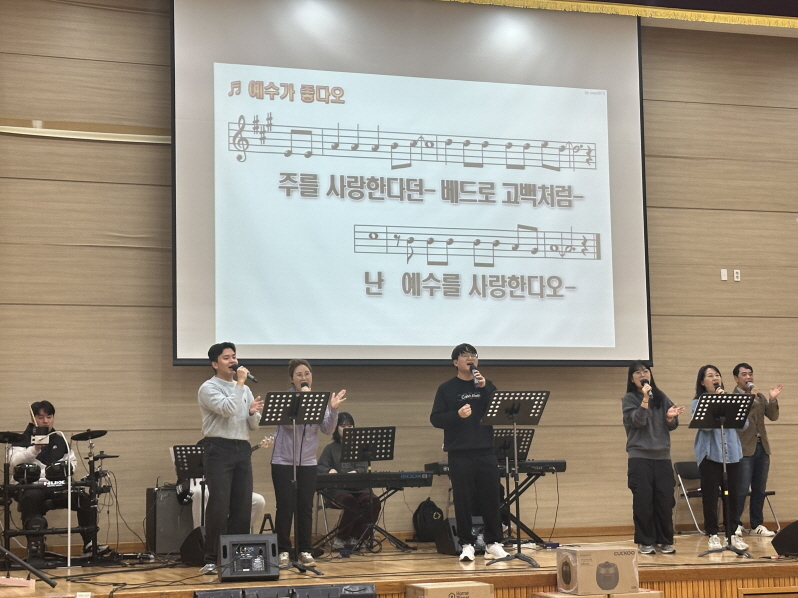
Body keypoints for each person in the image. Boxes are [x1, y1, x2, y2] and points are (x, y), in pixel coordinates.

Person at [430, 343, 509, 562]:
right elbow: (436, 419)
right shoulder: (446, 389)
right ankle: (467, 544)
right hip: (460, 453)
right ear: (455, 362)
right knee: (463, 499)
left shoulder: (486, 385)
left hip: (486, 450)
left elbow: (498, 410)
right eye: (465, 355)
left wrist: (484, 388)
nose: (470, 358)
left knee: (491, 497)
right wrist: (457, 415)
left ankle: (493, 543)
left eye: (473, 355)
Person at [270, 359, 346, 567]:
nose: (304, 378)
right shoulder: (285, 399)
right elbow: (288, 425)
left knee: (305, 507)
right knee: (285, 507)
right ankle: (283, 551)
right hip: (283, 461)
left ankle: (305, 549)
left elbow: (328, 430)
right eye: (299, 375)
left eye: (307, 374)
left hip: (308, 462)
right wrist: (303, 401)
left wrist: (333, 410)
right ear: (292, 379)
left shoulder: (319, 400)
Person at [197, 342, 264, 575]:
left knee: (242, 504)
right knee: (219, 503)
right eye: (226, 358)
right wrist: (240, 384)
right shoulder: (208, 388)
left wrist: (253, 413)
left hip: (242, 447)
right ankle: (211, 558)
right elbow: (228, 409)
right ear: (215, 364)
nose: (233, 361)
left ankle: (238, 556)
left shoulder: (243, 389)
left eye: (234, 356)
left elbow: (253, 426)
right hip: (219, 448)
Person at [10, 401, 103, 563]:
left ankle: (89, 543)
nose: (45, 421)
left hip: (57, 485)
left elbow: (72, 462)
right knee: (30, 498)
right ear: (33, 418)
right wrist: (34, 449)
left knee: (84, 498)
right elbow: (14, 461)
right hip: (33, 486)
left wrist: (61, 470)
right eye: (41, 417)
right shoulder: (22, 439)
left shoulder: (60, 440)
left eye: (49, 417)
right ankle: (35, 546)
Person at [622, 361, 683, 555]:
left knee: (665, 500)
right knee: (643, 501)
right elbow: (637, 421)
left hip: (662, 456)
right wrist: (645, 399)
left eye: (645, 371)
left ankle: (664, 540)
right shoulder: (629, 399)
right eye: (637, 372)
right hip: (639, 457)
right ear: (632, 378)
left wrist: (670, 417)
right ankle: (645, 541)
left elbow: (672, 424)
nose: (642, 374)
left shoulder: (661, 396)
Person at [691, 365, 749, 552]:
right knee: (710, 496)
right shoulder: (698, 402)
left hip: (732, 454)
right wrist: (716, 404)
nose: (715, 378)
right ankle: (713, 534)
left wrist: (728, 404)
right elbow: (705, 426)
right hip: (710, 454)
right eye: (710, 376)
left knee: (733, 496)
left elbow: (743, 425)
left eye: (717, 375)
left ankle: (732, 534)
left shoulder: (732, 399)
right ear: (703, 382)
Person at [732, 362, 782, 537]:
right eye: (744, 374)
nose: (748, 377)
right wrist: (750, 400)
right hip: (744, 448)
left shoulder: (759, 396)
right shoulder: (733, 397)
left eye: (750, 374)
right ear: (736, 378)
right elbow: (739, 420)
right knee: (741, 489)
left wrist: (772, 399)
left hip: (762, 446)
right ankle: (735, 524)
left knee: (759, 488)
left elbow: (773, 416)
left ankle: (756, 524)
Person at [317, 412, 381, 549]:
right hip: (338, 489)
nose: (346, 429)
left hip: (359, 488)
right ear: (336, 428)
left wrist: (356, 472)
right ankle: (341, 536)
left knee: (373, 502)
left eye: (349, 426)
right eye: (343, 426)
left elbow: (363, 467)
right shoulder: (330, 449)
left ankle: (358, 536)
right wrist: (329, 470)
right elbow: (320, 466)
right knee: (350, 502)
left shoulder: (360, 447)